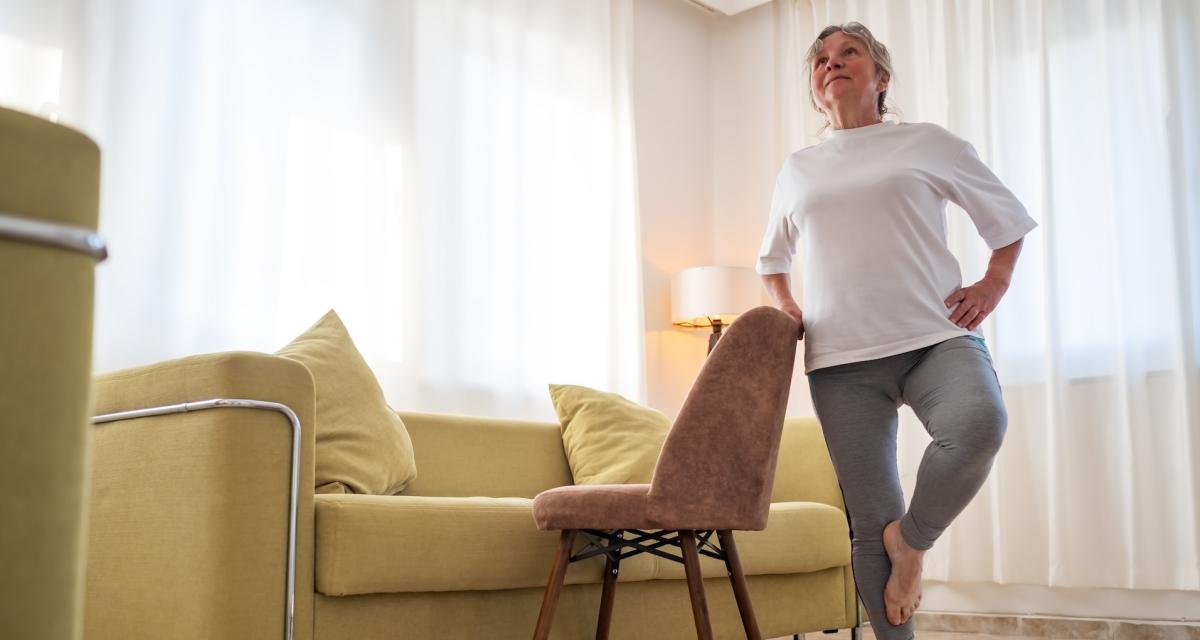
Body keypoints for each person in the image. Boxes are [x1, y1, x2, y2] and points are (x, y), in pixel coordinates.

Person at [755, 22, 1037, 640]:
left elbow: (1006, 221)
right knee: (868, 521)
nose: (833, 64)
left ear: (881, 78)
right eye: (820, 61)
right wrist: (786, 306)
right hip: (840, 361)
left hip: (937, 336)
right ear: (814, 91)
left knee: (978, 426)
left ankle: (910, 545)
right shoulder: (798, 170)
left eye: (848, 53)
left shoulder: (928, 143)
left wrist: (993, 283)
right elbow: (772, 261)